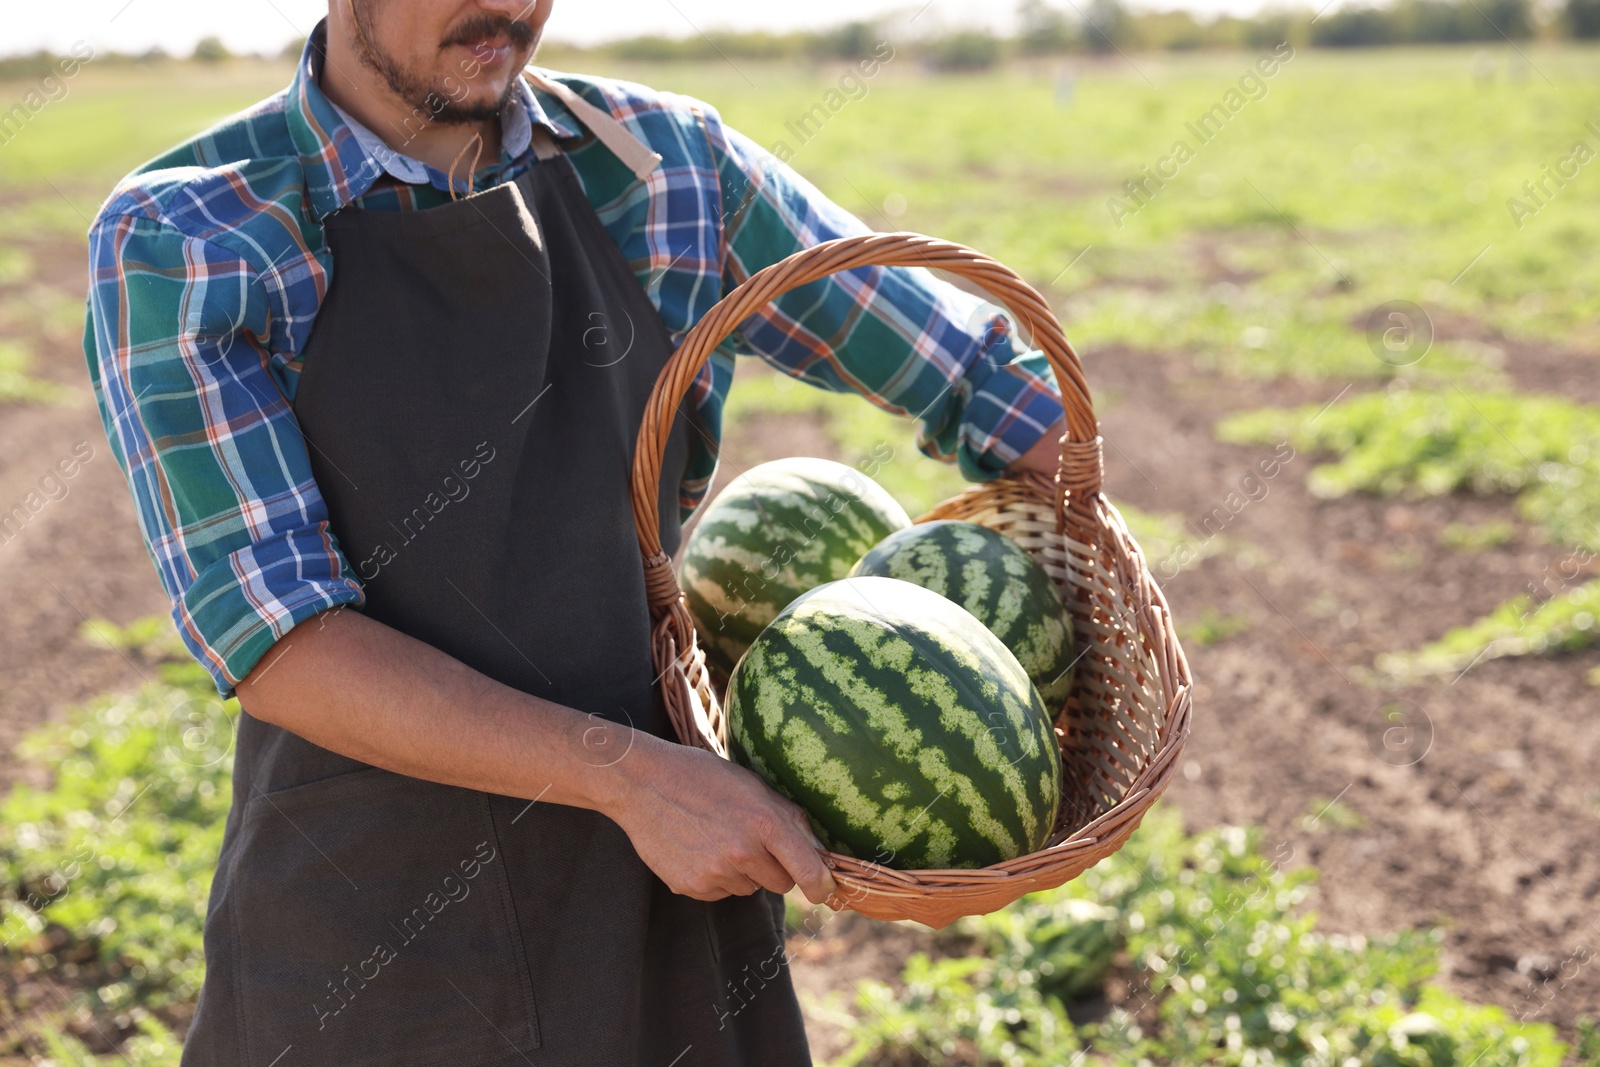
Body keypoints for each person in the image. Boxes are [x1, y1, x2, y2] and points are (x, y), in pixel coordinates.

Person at [83, 2, 1068, 1063]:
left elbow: (981, 380)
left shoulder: (666, 167)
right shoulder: (190, 237)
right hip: (376, 910)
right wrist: (630, 778)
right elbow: (277, 638)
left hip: (675, 878)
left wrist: (1078, 610)